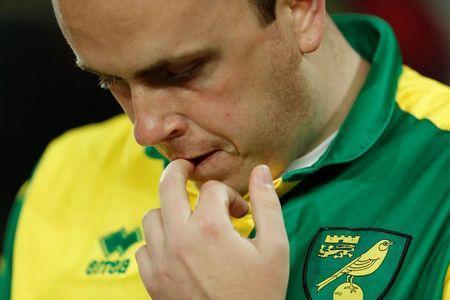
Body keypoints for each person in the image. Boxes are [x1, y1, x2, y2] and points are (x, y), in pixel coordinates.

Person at [1, 0, 449, 299]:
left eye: (181, 71)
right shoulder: (64, 176)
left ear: (300, 9)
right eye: (111, 80)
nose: (147, 129)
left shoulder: (438, 176)